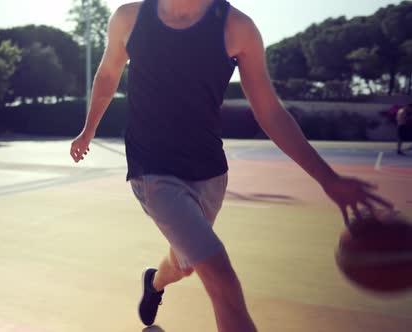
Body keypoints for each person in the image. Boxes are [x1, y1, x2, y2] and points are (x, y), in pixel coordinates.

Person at [69, 1, 393, 331]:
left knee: (185, 264)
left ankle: (154, 283)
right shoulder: (130, 18)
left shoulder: (237, 28)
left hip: (210, 174)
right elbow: (108, 74)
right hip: (152, 170)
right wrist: (88, 130)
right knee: (223, 282)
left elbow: (269, 111)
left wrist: (328, 179)